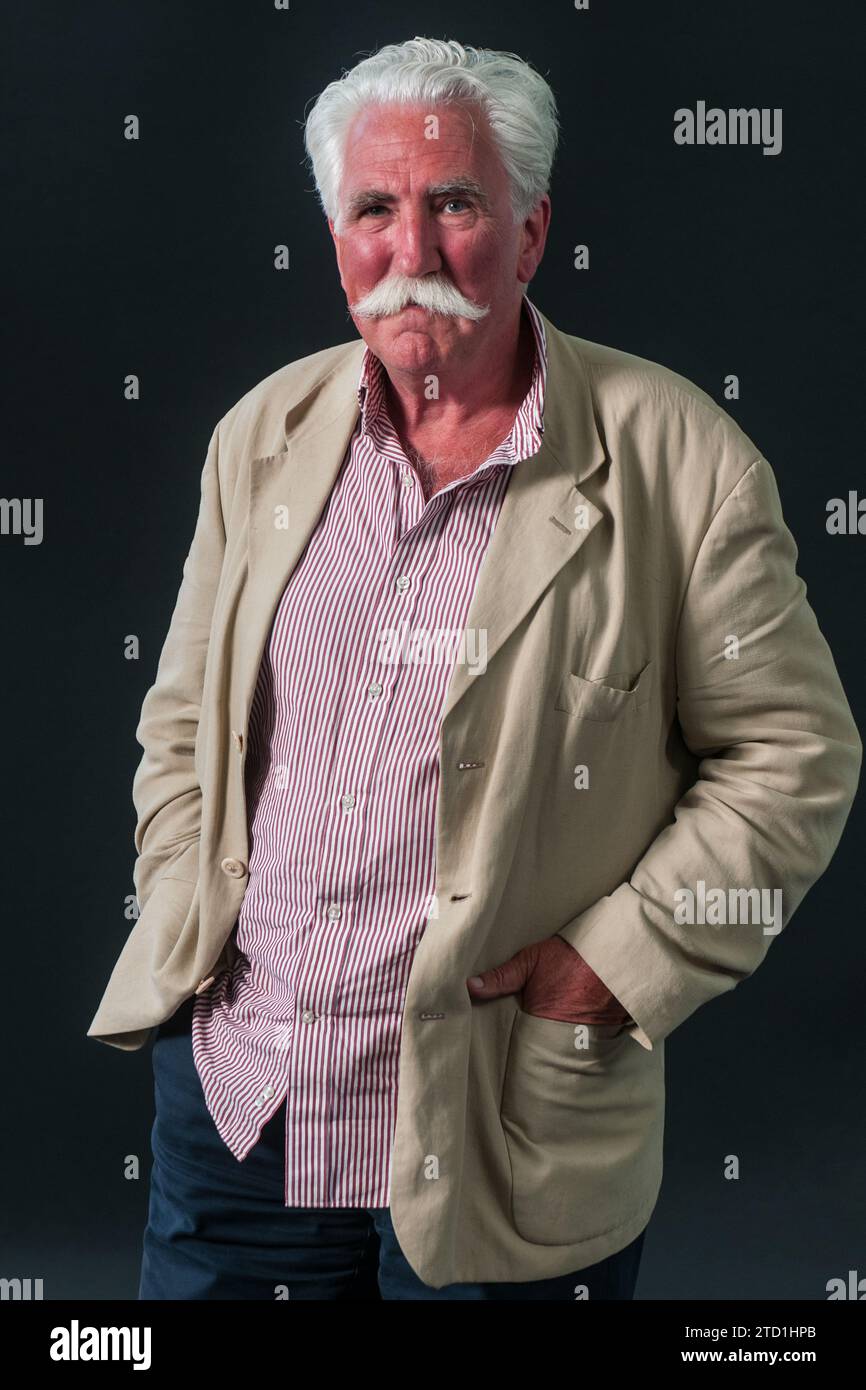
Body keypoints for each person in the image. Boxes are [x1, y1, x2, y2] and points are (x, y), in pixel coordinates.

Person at [87, 37, 861, 1300]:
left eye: (454, 203)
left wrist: (615, 962)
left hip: (498, 1110)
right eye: (373, 209)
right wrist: (186, 905)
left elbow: (792, 753)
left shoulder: (684, 463)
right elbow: (183, 718)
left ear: (531, 226)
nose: (412, 250)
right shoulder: (261, 436)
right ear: (335, 235)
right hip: (241, 1104)